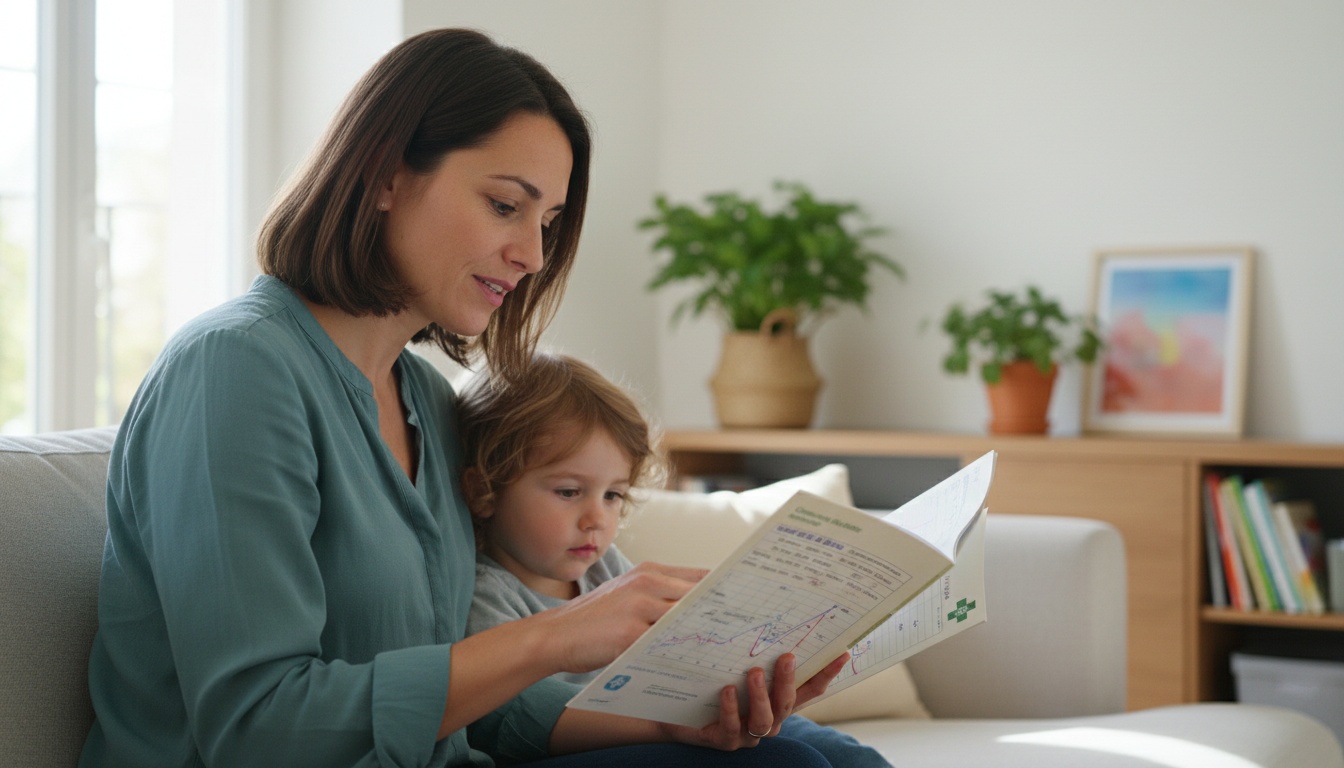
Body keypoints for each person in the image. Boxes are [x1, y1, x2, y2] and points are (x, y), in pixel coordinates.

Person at [79, 27, 844, 768]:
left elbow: (474, 708)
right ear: (384, 175)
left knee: (805, 750)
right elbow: (260, 733)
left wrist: (672, 723)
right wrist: (555, 635)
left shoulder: (428, 402)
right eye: (506, 206)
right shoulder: (235, 373)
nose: (534, 255)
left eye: (547, 222)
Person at [460, 352, 892, 768]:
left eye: (613, 494)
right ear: (484, 491)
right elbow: (511, 720)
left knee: (852, 757)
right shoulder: (485, 592)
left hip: (674, 724)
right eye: (569, 492)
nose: (597, 519)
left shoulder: (605, 567)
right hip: (594, 746)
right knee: (795, 760)